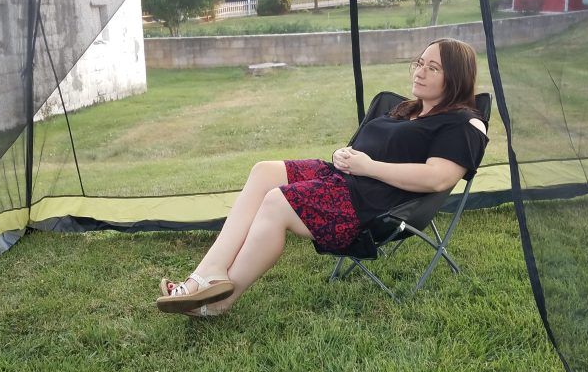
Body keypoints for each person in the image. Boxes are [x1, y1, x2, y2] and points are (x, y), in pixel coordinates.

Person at [156, 37, 489, 316]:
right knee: (264, 172)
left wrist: (367, 166)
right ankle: (208, 273)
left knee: (278, 201)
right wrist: (344, 156)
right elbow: (368, 146)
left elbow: (437, 178)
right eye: (419, 62)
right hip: (345, 178)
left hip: (368, 204)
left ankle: (218, 302)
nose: (420, 72)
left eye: (433, 68)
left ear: (456, 78)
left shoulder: (463, 124)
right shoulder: (409, 109)